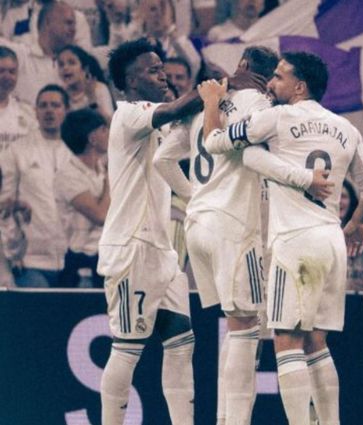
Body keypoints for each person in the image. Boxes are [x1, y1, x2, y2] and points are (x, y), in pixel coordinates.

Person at [199, 51, 363, 425]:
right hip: (331, 240)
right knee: (317, 344)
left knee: (287, 342)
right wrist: (355, 224)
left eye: (280, 77)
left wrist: (211, 103)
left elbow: (216, 142)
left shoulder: (276, 118)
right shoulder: (345, 128)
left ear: (300, 87)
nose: (271, 82)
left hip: (294, 243)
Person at [153, 45, 282, 425]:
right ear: (268, 77)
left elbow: (162, 159)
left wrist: (196, 196)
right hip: (235, 226)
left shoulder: (202, 104)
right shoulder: (260, 105)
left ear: (241, 65)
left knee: (235, 325)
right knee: (247, 327)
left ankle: (226, 417)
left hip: (199, 224)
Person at [97, 38, 203, 425]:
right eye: (153, 70)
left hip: (162, 250)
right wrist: (219, 86)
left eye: (163, 68)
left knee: (181, 342)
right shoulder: (129, 114)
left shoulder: (160, 120)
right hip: (131, 247)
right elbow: (178, 107)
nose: (163, 75)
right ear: (130, 80)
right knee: (127, 348)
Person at [0, 84, 72, 287]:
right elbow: (5, 206)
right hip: (30, 260)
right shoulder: (16, 151)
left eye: (55, 105)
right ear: (35, 111)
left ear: (66, 110)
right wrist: (11, 254)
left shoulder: (78, 150)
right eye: (43, 105)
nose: (49, 111)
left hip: (75, 259)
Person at [57, 108, 110, 287]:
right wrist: (111, 180)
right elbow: (100, 216)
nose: (109, 134)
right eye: (104, 130)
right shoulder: (68, 175)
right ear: (92, 138)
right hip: (80, 265)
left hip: (107, 261)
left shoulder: (102, 170)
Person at [0, 1, 78, 104]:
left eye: (74, 24)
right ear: (48, 22)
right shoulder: (21, 55)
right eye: (68, 23)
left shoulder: (76, 67)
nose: (73, 30)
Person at [56, 44, 114, 122]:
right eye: (61, 65)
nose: (65, 68)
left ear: (85, 69)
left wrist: (92, 99)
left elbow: (110, 123)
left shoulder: (99, 88)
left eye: (72, 63)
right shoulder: (60, 93)